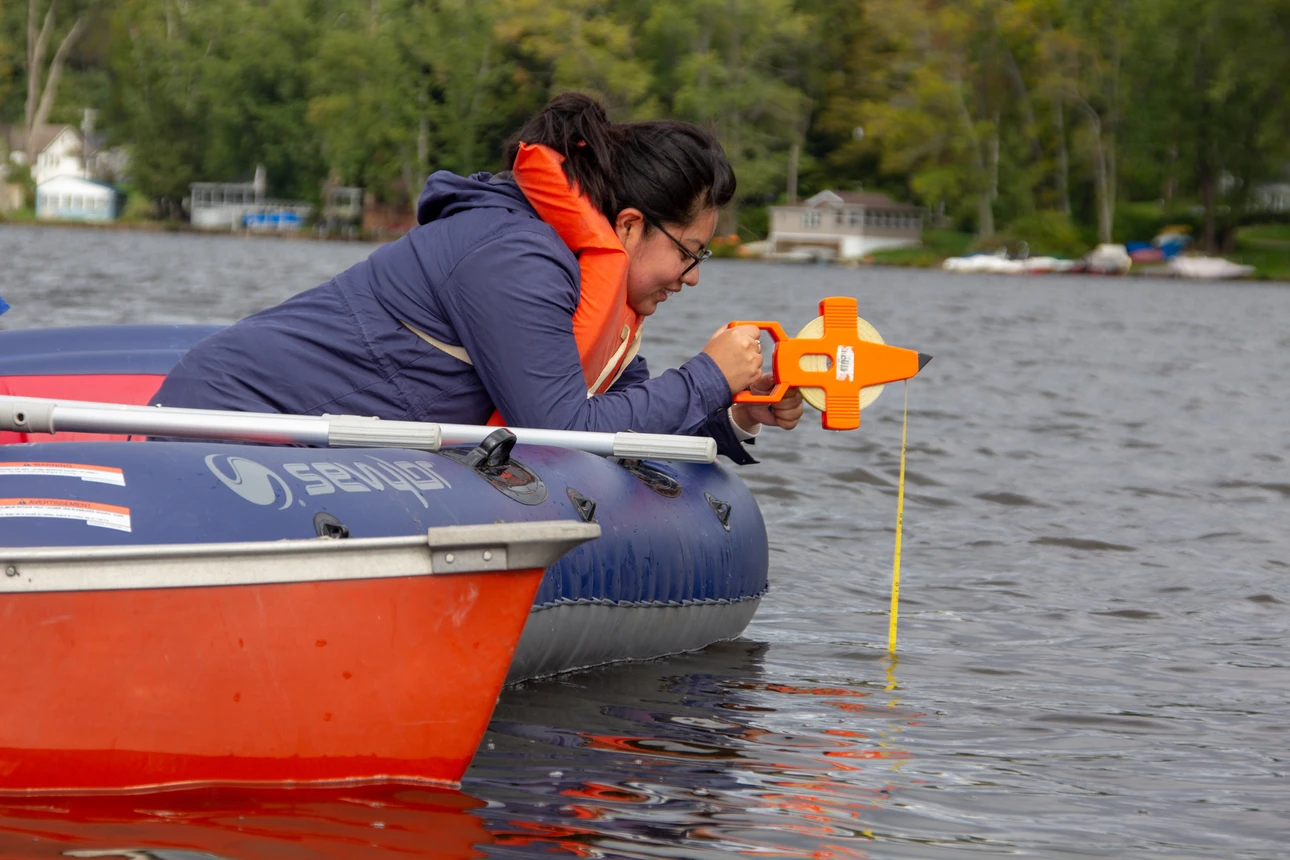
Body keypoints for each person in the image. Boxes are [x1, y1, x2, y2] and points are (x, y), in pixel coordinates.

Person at [151, 92, 803, 463]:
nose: (691, 278)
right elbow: (561, 429)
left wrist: (735, 411)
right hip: (226, 423)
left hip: (309, 450)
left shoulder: (588, 289)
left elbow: (622, 415)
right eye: (691, 252)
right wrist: (708, 376)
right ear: (630, 226)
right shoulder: (516, 259)